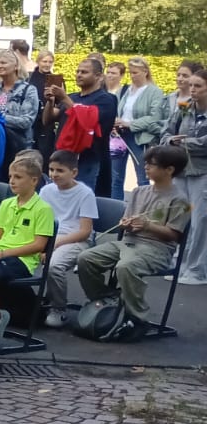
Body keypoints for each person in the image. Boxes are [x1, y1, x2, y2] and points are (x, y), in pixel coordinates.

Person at [76, 146, 193, 323]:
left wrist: (147, 226)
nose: (145, 167)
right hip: (128, 243)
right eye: (146, 163)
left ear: (169, 170)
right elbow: (126, 221)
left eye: (151, 165)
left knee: (126, 267)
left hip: (156, 249)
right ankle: (107, 299)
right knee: (86, 258)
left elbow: (173, 235)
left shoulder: (180, 200)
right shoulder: (139, 191)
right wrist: (126, 224)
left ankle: (137, 316)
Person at [0, 156, 55, 318]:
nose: (12, 181)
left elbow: (38, 245)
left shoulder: (43, 209)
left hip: (22, 260)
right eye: (10, 177)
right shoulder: (7, 204)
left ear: (34, 180)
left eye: (18, 177)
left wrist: (2, 254)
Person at [37, 150, 99, 327]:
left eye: (60, 170)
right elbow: (40, 221)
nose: (54, 174)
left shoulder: (85, 193)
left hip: (75, 240)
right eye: (51, 170)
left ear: (74, 172)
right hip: (49, 237)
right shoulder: (47, 190)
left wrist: (54, 244)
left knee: (54, 265)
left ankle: (58, 308)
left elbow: (85, 231)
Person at [42, 56, 118, 194]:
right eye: (77, 71)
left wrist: (64, 98)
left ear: (99, 76)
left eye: (84, 72)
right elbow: (48, 119)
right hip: (64, 158)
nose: (78, 75)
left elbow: (90, 120)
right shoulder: (73, 97)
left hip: (90, 159)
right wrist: (50, 101)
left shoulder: (106, 99)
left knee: (85, 200)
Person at [162, 65, 207, 285]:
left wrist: (186, 142)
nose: (193, 89)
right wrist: (171, 140)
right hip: (181, 170)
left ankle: (196, 270)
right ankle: (177, 263)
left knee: (200, 221)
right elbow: (167, 130)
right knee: (180, 217)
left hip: (203, 173)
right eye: (191, 85)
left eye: (198, 86)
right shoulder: (183, 105)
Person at [111, 57, 168, 199]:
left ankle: (143, 211)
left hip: (139, 137)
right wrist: (114, 122)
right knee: (116, 178)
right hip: (119, 136)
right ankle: (117, 209)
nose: (132, 76)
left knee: (143, 177)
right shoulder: (124, 90)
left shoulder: (154, 92)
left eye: (135, 72)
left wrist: (130, 124)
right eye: (130, 72)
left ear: (145, 72)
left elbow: (155, 117)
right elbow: (115, 108)